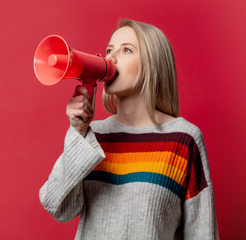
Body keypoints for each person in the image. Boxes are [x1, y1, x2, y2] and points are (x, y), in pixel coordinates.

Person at [39, 19, 219, 239]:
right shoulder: (93, 136)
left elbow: (202, 231)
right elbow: (58, 207)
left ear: (153, 63)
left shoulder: (183, 139)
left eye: (127, 50)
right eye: (109, 50)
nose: (111, 58)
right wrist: (77, 132)